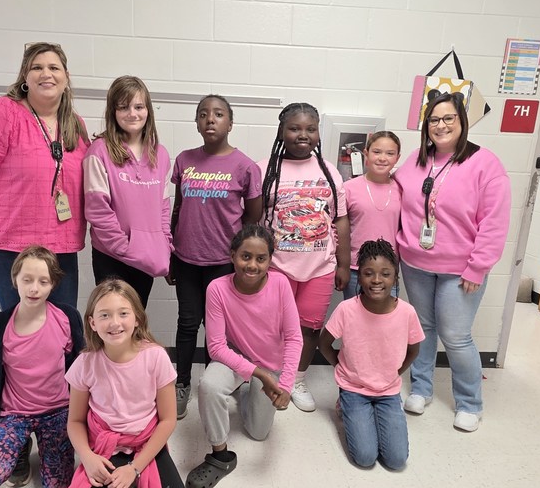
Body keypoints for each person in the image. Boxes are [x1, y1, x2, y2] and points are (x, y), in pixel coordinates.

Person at [54, 279, 196, 488]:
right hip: (105, 448)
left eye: (123, 313)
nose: (114, 322)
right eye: (104, 315)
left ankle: (136, 486)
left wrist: (135, 469)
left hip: (145, 445)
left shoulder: (155, 357)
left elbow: (167, 420)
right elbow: (75, 421)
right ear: (92, 322)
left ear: (137, 318)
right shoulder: (86, 363)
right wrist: (89, 458)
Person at [394, 92, 511, 432]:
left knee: (456, 336)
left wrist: (478, 266)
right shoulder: (416, 160)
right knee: (423, 329)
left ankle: (470, 403)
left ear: (462, 122)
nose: (441, 125)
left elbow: (494, 221)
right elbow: (395, 198)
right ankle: (421, 389)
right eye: (434, 119)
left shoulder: (485, 163)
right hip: (415, 263)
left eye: (448, 118)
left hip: (460, 270)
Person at [0, 42, 89, 309]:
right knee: (18, 325)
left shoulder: (75, 123)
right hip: (6, 245)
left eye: (53, 67)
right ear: (25, 77)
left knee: (63, 325)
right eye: (37, 67)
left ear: (66, 78)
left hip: (59, 246)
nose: (46, 74)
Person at [185, 225, 302, 488]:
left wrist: (285, 384)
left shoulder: (281, 284)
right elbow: (215, 348)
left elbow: (295, 338)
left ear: (270, 260)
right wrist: (259, 374)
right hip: (237, 358)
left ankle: (247, 391)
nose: (252, 265)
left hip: (270, 365)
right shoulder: (217, 288)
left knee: (258, 433)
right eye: (245, 256)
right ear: (232, 256)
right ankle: (219, 454)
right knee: (210, 385)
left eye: (261, 259)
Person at [166, 95, 262, 420]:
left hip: (223, 263)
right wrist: (170, 254)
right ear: (196, 122)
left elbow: (252, 220)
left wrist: (243, 261)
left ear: (230, 123)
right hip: (187, 260)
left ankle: (213, 385)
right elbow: (177, 209)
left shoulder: (245, 166)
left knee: (217, 331)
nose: (210, 119)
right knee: (187, 322)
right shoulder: (184, 160)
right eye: (203, 114)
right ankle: (182, 384)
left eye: (218, 114)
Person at [0, 245, 84, 488]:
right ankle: (21, 444)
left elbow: (83, 370)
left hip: (57, 412)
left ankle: (49, 447)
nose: (34, 288)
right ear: (15, 281)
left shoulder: (66, 319)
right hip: (14, 414)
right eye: (27, 280)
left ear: (53, 284)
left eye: (43, 281)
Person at [259, 102, 350, 412]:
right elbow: (252, 221)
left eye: (310, 129)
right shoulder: (265, 169)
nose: (303, 134)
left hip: (319, 266)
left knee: (309, 328)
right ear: (282, 131)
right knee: (272, 326)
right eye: (295, 128)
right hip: (276, 266)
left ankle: (296, 379)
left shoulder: (329, 171)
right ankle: (271, 377)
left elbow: (340, 219)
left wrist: (343, 262)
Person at [319, 239, 424, 469]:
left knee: (397, 461)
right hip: (354, 389)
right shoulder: (347, 309)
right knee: (365, 458)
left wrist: (394, 372)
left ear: (395, 278)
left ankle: (375, 414)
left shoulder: (407, 312)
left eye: (385, 274)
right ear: (360, 277)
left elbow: (414, 349)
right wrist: (342, 369)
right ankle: (346, 404)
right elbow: (324, 343)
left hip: (388, 391)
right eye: (368, 273)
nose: (376, 280)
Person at [84, 76, 172, 308]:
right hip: (111, 256)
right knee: (113, 320)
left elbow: (163, 208)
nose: (132, 114)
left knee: (135, 319)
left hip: (146, 257)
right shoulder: (99, 151)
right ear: (113, 111)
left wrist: (164, 245)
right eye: (123, 107)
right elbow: (97, 211)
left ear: (148, 111)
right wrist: (126, 249)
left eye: (138, 107)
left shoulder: (159, 154)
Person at [342, 131, 402, 299]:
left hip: (388, 270)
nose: (382, 158)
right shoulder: (348, 188)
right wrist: (342, 265)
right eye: (377, 152)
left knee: (386, 320)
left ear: (397, 158)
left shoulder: (402, 189)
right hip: (356, 269)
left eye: (390, 153)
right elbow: (339, 230)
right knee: (355, 319)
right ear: (366, 153)